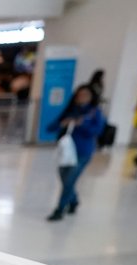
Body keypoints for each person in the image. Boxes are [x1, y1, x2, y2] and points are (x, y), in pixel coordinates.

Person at [46, 85, 105, 221]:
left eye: (85, 95)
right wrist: (63, 124)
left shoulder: (94, 113)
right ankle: (74, 201)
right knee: (65, 178)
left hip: (82, 152)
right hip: (66, 153)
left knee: (69, 180)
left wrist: (82, 124)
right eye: (79, 95)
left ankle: (60, 209)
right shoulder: (70, 111)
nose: (82, 97)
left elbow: (97, 131)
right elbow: (50, 127)